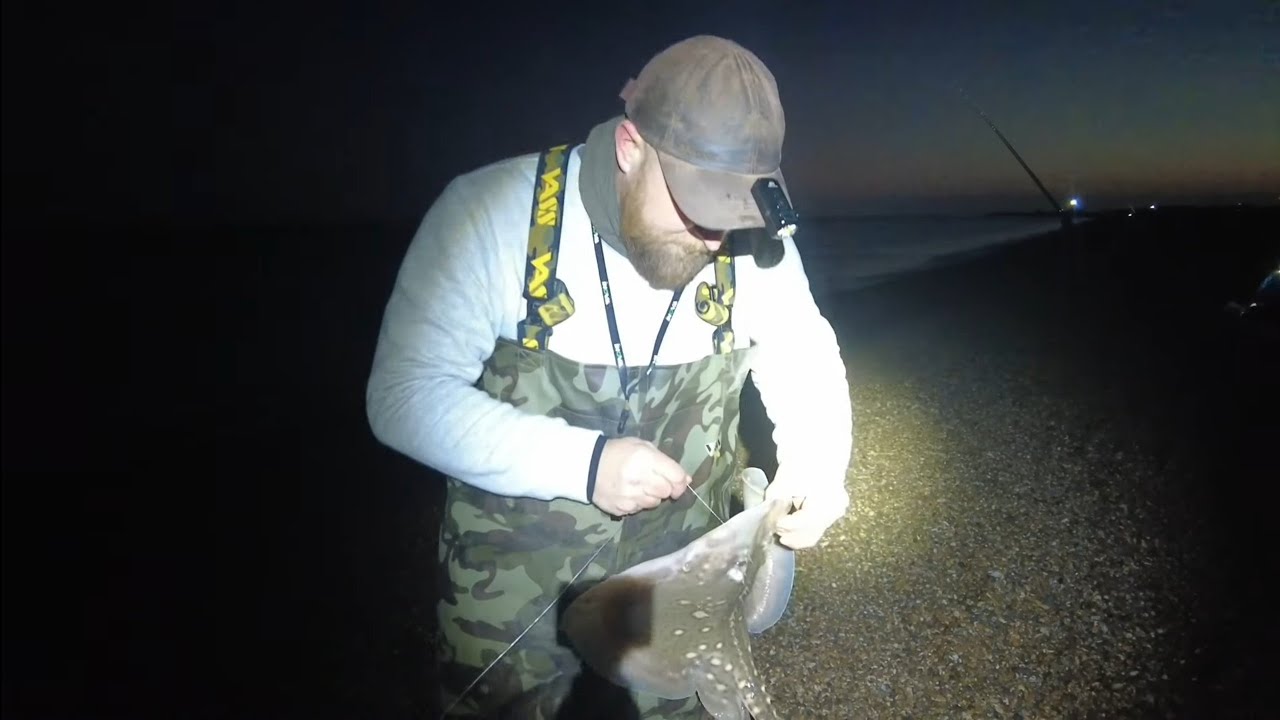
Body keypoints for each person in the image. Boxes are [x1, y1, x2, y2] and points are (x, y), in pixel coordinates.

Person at [366, 34, 853, 718]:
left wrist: (820, 464)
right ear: (630, 147)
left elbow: (800, 348)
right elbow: (403, 395)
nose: (716, 241)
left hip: (682, 585)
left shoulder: (749, 241)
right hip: (512, 597)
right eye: (695, 205)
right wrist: (584, 462)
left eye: (732, 211)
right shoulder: (489, 214)